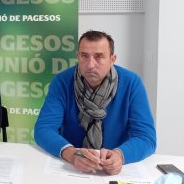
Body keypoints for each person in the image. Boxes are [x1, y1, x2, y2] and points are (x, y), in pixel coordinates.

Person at [34, 30, 156, 175]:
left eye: (99, 57)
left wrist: (120, 155)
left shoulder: (131, 83)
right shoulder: (62, 81)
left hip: (113, 170)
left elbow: (146, 137)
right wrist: (72, 154)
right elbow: (43, 129)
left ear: (112, 59)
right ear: (77, 57)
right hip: (72, 169)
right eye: (84, 56)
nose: (90, 65)